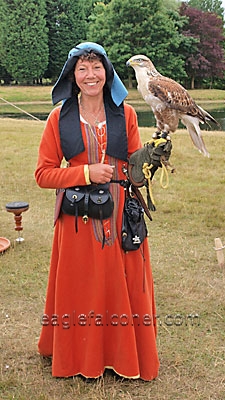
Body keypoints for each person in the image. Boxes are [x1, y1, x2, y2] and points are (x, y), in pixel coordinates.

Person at [35, 42, 159, 381]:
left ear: (107, 73)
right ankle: (80, 356)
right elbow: (44, 174)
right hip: (78, 220)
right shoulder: (59, 117)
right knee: (83, 287)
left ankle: (122, 356)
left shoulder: (127, 114)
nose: (90, 75)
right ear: (73, 76)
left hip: (120, 216)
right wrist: (86, 172)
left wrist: (151, 160)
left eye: (96, 67)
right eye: (82, 69)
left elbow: (134, 170)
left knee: (122, 285)